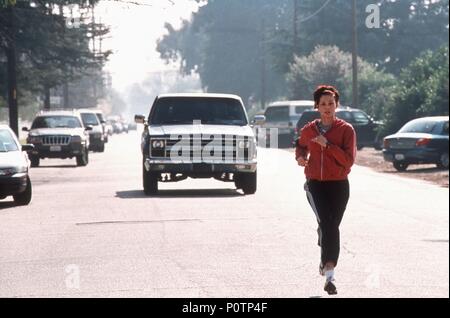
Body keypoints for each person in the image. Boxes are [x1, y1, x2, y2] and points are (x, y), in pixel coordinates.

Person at [295, 85, 356, 295]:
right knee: (329, 224)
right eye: (323, 104)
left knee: (331, 226)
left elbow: (348, 162)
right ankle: (330, 275)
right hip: (315, 184)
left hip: (339, 185)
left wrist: (328, 145)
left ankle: (323, 243)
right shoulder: (309, 130)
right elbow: (300, 145)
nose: (328, 107)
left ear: (337, 104)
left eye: (331, 103)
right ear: (317, 107)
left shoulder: (346, 130)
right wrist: (301, 157)